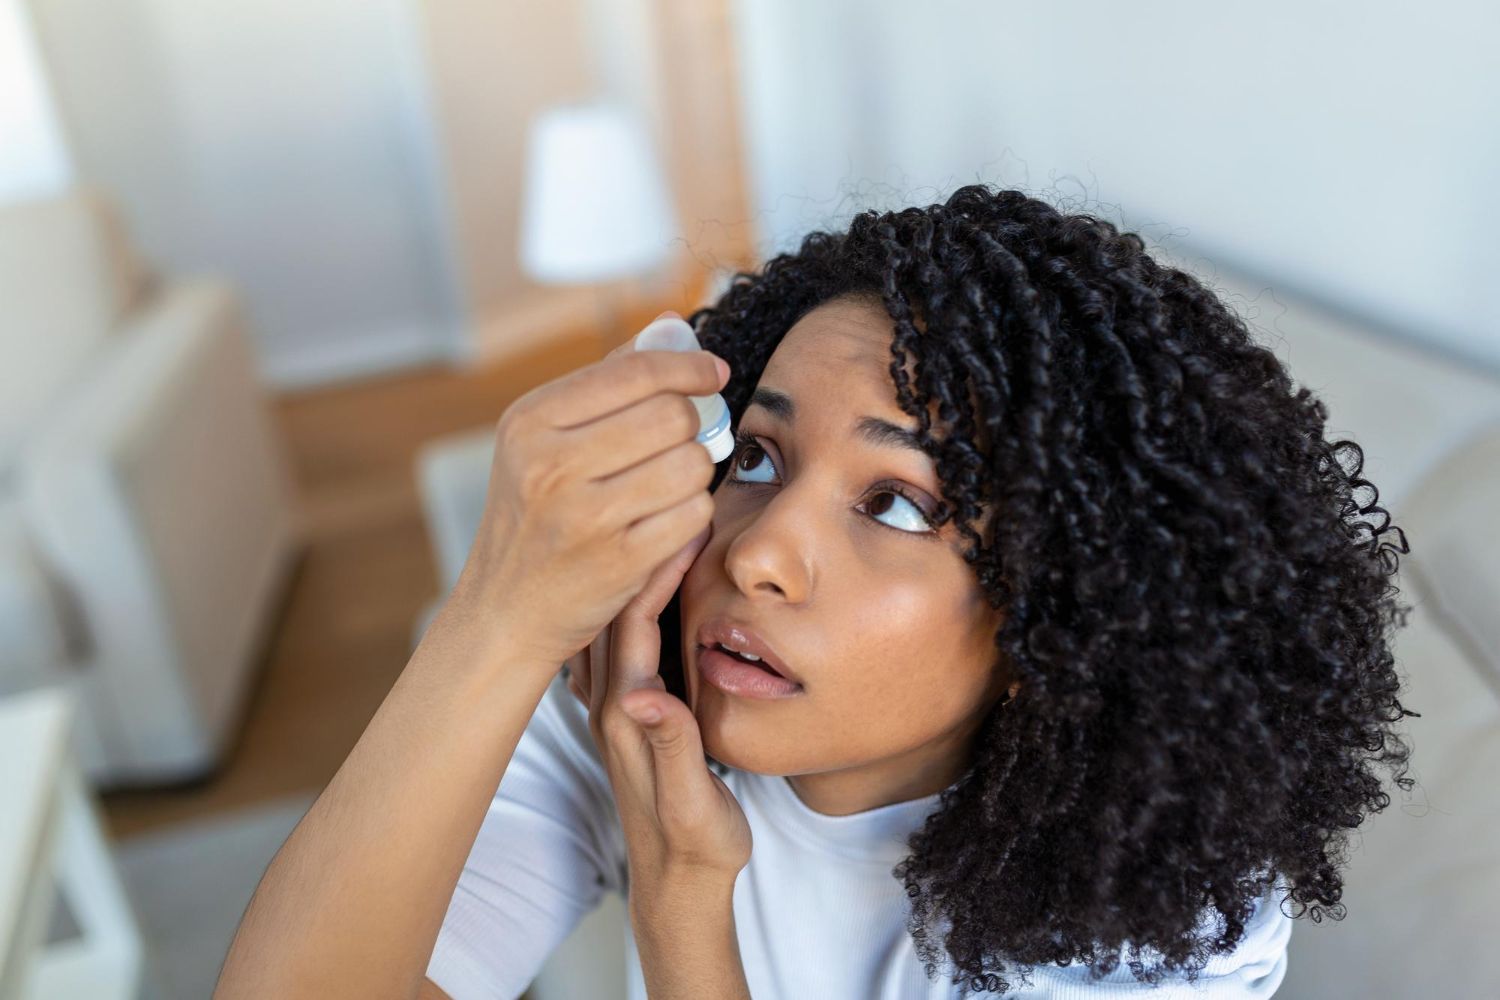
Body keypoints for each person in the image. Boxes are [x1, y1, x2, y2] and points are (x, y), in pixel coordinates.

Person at [215, 185, 1418, 999]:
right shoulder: (647, 689)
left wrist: (682, 899)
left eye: (896, 501)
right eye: (756, 458)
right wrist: (493, 616)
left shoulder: (1154, 899)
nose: (757, 553)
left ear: (1065, 606)